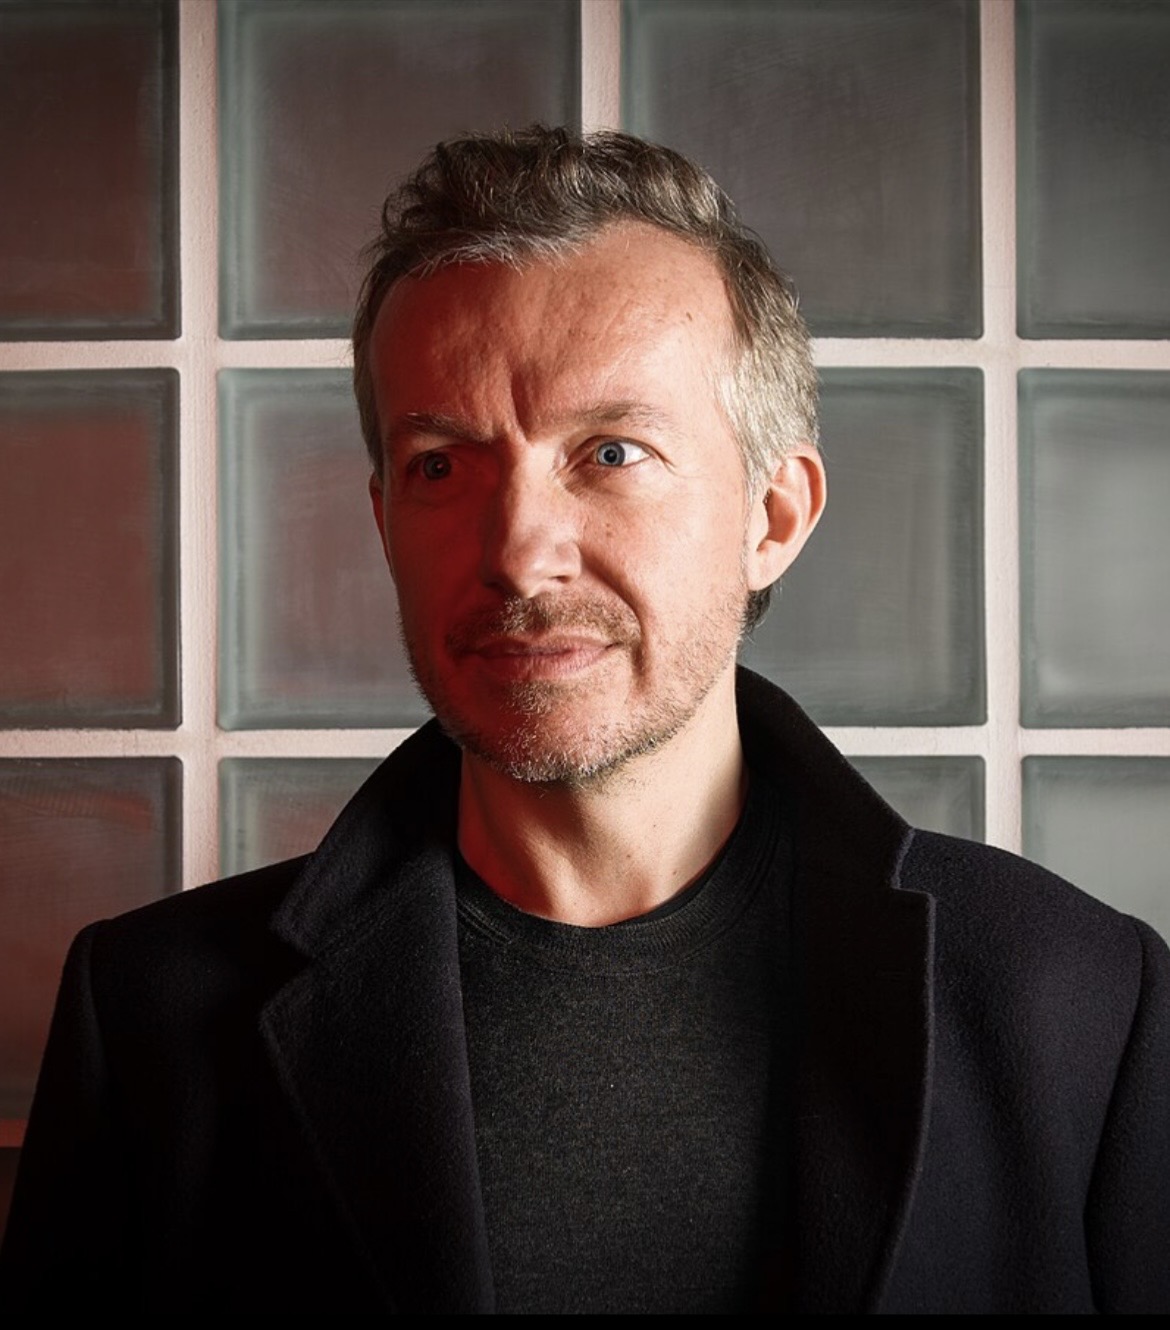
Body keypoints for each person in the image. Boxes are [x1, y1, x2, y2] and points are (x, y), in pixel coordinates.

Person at [1, 126, 1167, 1315]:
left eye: (611, 451)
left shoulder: (1078, 999)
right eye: (441, 464)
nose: (517, 552)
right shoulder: (152, 1020)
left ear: (773, 516)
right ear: (385, 519)